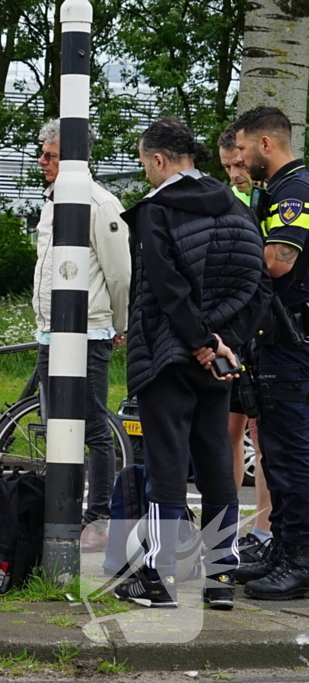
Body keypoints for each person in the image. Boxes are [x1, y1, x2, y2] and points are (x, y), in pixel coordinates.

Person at [113, 119, 268, 611]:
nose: (146, 174)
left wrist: (199, 341)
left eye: (144, 164)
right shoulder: (238, 209)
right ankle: (221, 575)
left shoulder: (157, 212)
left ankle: (157, 577)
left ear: (159, 160)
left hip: (168, 355)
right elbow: (257, 286)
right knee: (217, 465)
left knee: (166, 465)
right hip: (221, 360)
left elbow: (164, 285)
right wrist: (224, 344)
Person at [32, 119, 131, 553]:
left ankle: (100, 515)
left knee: (93, 426)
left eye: (49, 155)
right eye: (42, 152)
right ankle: (64, 510)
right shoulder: (52, 202)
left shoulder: (100, 202)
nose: (42, 162)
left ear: (72, 156)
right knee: (55, 423)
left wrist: (121, 324)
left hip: (88, 331)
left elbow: (120, 271)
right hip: (50, 330)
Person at [231, 106, 309, 600]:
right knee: (277, 452)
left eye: (240, 148)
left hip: (292, 344)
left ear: (265, 144)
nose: (237, 158)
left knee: (292, 451)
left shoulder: (295, 192)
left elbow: (279, 261)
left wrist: (236, 245)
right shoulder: (278, 191)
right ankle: (285, 546)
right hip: (277, 342)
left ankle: (300, 558)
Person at [217, 124, 273, 565]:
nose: (237, 173)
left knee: (264, 431)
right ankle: (228, 527)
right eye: (228, 167)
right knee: (230, 429)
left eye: (239, 163)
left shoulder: (271, 195)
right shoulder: (223, 199)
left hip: (265, 325)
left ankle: (265, 526)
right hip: (233, 330)